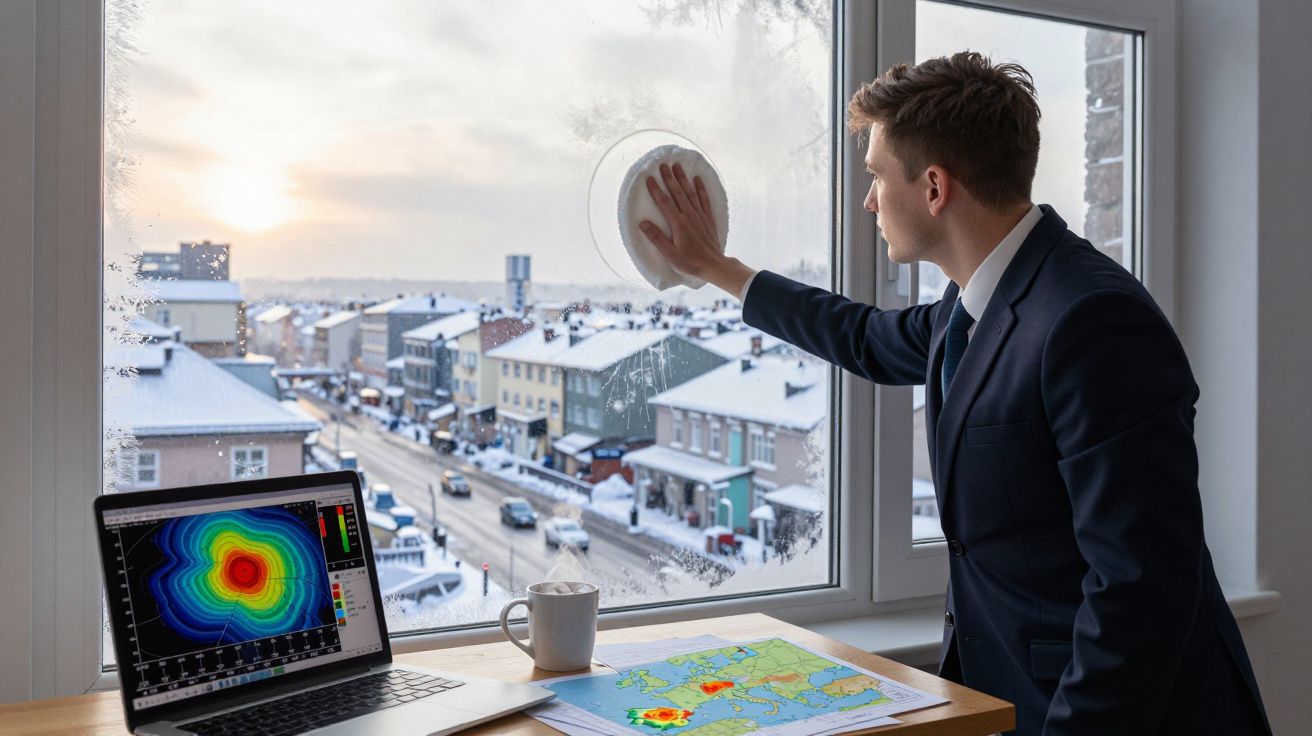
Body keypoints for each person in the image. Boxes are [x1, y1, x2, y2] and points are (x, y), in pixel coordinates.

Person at [638, 51, 1270, 736]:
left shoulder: (1092, 321)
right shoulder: (970, 308)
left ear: (935, 187)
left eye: (878, 176)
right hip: (1015, 699)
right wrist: (719, 269)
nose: (869, 200)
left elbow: (1140, 588)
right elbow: (864, 336)